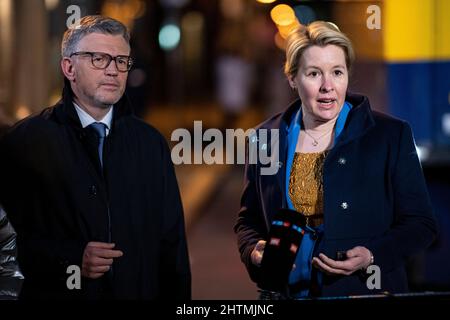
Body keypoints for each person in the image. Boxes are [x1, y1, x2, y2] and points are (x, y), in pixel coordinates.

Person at [234, 21, 438, 298]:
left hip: (364, 292)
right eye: (314, 73)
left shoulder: (389, 135)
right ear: (293, 78)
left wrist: (372, 256)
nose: (328, 86)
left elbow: (421, 224)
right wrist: (253, 250)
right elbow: (249, 220)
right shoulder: (264, 138)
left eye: (337, 72)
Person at [0, 15, 190, 300]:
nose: (113, 70)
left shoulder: (151, 144)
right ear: (69, 67)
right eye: (99, 59)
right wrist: (71, 260)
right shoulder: (24, 143)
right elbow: (6, 245)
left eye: (121, 61)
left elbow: (172, 247)